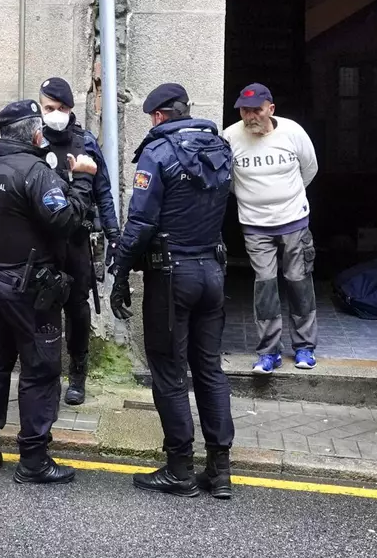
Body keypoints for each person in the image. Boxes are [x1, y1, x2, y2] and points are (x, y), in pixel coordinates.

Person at [110, 83, 236, 499]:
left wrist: (120, 272)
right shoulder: (221, 149)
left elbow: (141, 223)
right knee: (210, 369)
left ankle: (180, 469)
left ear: (159, 116)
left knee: (169, 371)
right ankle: (220, 470)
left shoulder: (158, 152)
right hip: (212, 270)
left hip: (171, 276)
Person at [0, 99, 95, 484]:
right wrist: (82, 180)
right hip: (28, 287)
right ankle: (34, 460)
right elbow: (66, 221)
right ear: (36, 134)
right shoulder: (36, 173)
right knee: (39, 370)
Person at [222, 83, 320, 374]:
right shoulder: (230, 137)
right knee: (265, 285)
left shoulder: (292, 131)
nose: (250, 116)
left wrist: (287, 198)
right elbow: (227, 179)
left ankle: (304, 347)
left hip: (294, 220)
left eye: (256, 110)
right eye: (244, 110)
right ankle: (269, 352)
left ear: (271, 109)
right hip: (255, 225)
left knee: (298, 281)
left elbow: (309, 168)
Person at [37, 76, 119, 406]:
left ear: (71, 109)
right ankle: (45, 372)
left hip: (76, 240)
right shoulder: (34, 139)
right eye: (48, 108)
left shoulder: (85, 142)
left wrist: (114, 236)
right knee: (42, 307)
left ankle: (78, 372)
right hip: (43, 240)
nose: (55, 114)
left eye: (61, 108)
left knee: (77, 309)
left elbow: (104, 192)